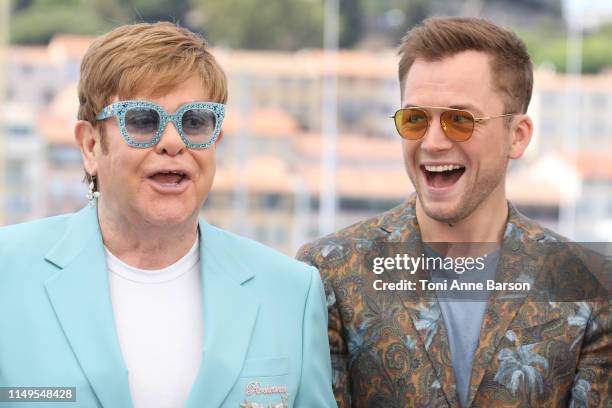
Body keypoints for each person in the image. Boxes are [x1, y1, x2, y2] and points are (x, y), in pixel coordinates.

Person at [0, 22, 335, 408]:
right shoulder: (7, 274)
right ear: (91, 145)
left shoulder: (292, 293)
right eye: (142, 121)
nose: (173, 142)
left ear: (216, 142)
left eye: (195, 122)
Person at [298, 17, 610, 408]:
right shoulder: (329, 273)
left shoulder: (590, 288)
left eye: (460, 120)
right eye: (415, 119)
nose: (432, 142)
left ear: (518, 136)